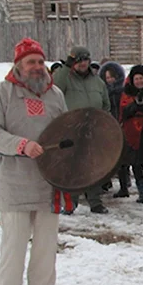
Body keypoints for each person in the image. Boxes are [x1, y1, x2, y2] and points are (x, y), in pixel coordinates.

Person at [0, 38, 67, 285]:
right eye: (31, 62)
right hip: (15, 180)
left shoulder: (55, 94)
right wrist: (21, 145)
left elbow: (66, 133)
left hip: (47, 181)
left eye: (41, 61)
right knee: (14, 245)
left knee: (45, 245)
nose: (37, 67)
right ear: (18, 65)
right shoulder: (2, 93)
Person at [53, 46, 111, 213]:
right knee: (74, 167)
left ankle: (95, 201)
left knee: (93, 166)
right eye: (78, 61)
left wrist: (103, 121)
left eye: (85, 60)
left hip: (93, 129)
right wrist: (66, 66)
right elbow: (55, 86)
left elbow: (106, 104)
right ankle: (71, 202)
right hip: (71, 128)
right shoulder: (66, 79)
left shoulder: (97, 82)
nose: (82, 63)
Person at [119, 65, 143, 203]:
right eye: (136, 79)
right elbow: (124, 111)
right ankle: (142, 191)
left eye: (141, 78)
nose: (139, 81)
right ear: (132, 80)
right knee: (136, 162)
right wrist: (135, 105)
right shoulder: (127, 93)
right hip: (133, 132)